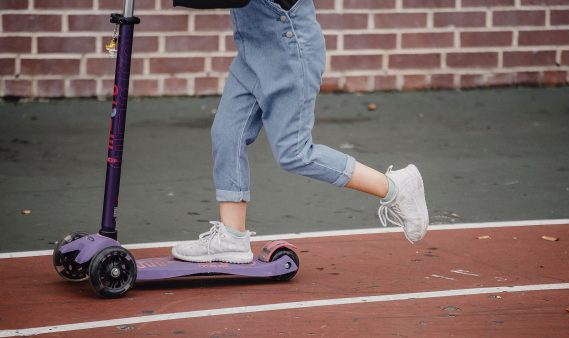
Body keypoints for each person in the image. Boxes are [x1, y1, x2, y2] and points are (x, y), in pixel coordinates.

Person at [172, 0, 429, 263]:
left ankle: (396, 187)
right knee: (227, 134)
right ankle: (232, 238)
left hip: (290, 55)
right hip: (252, 56)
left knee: (295, 152)